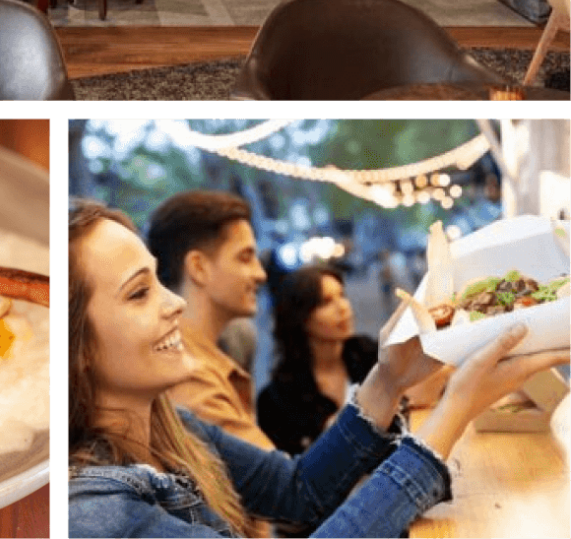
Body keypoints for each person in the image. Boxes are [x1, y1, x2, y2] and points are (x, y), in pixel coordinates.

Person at [66, 199, 571, 539]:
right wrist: (452, 412)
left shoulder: (171, 422)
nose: (174, 302)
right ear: (74, 346)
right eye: (138, 292)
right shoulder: (91, 509)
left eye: (159, 282)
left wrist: (390, 378)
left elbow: (298, 491)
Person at [146, 190, 275, 452]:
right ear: (198, 267)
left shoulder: (198, 356)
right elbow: (288, 488)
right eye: (245, 257)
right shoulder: (187, 375)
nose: (260, 274)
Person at [257, 266, 377, 456]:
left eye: (342, 295)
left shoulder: (370, 355)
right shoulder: (277, 400)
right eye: (326, 302)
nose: (343, 307)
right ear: (301, 317)